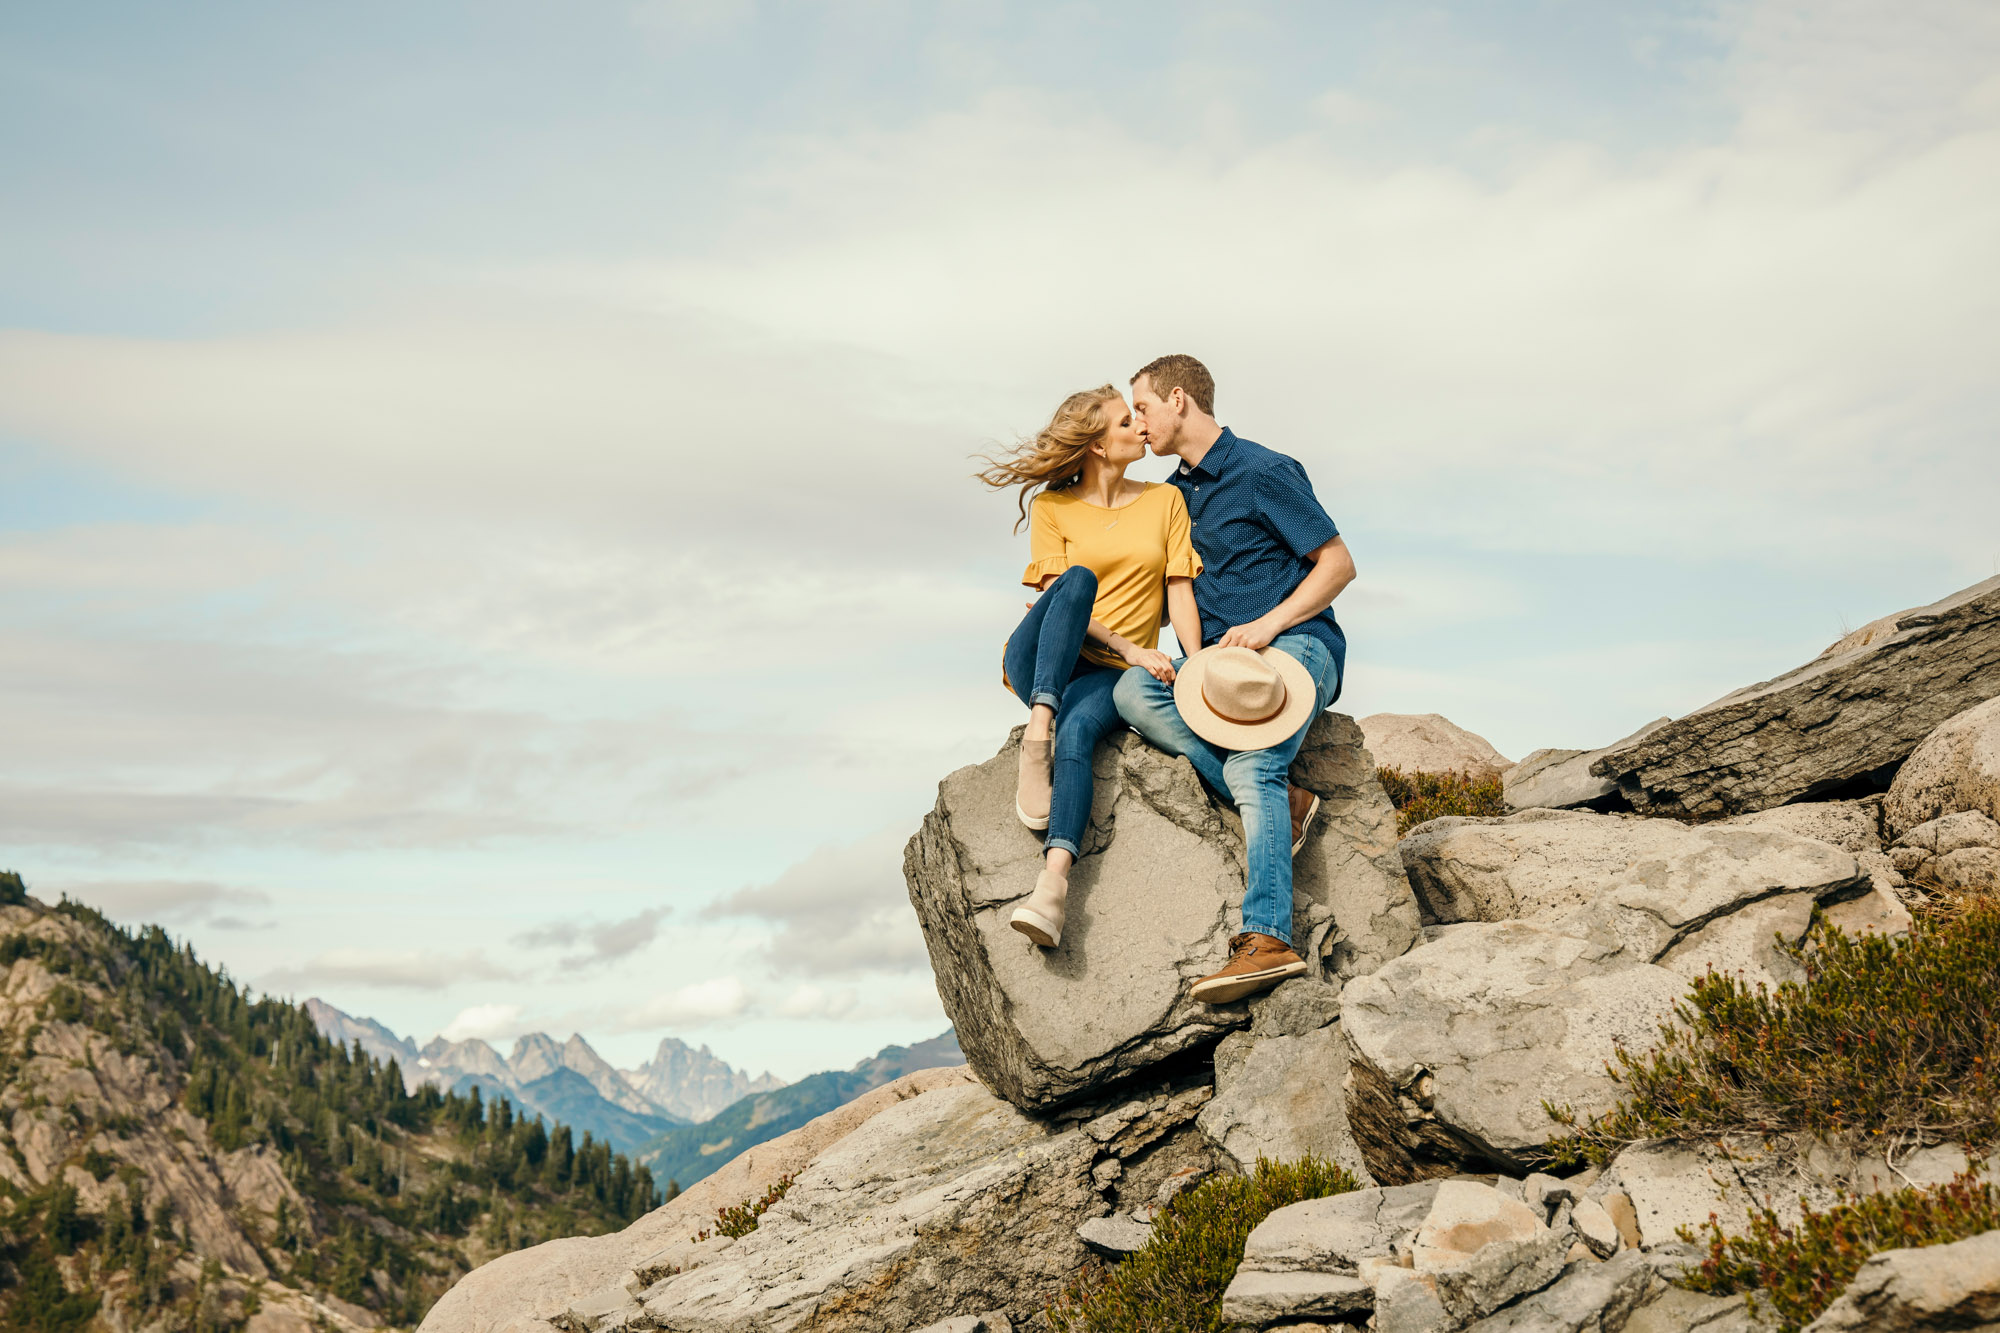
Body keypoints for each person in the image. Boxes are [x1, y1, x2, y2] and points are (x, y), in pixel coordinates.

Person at [1113, 354, 1357, 1004]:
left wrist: (1266, 626)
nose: (1138, 422)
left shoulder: (1263, 470)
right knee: (1132, 692)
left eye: (1142, 406)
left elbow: (1337, 564)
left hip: (1297, 644)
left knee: (1254, 765)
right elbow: (1174, 590)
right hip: (1219, 665)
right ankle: (1288, 805)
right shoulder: (1169, 496)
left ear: (1178, 400)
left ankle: (1269, 936)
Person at [978, 385, 1204, 949]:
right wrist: (1133, 649)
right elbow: (1060, 596)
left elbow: (1179, 591)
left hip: (1101, 676)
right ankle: (1036, 736)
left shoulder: (1164, 502)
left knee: (1079, 732)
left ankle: (1051, 890)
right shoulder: (1054, 508)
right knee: (1077, 580)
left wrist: (1198, 670)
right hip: (1042, 656)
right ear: (1100, 445)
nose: (1140, 427)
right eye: (1127, 422)